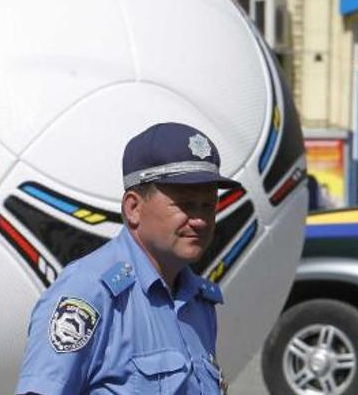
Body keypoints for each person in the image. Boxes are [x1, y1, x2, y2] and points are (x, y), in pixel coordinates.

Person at [15, 122, 239, 395]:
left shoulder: (198, 302)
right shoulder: (89, 293)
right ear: (133, 208)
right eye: (185, 205)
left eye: (208, 206)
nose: (200, 221)